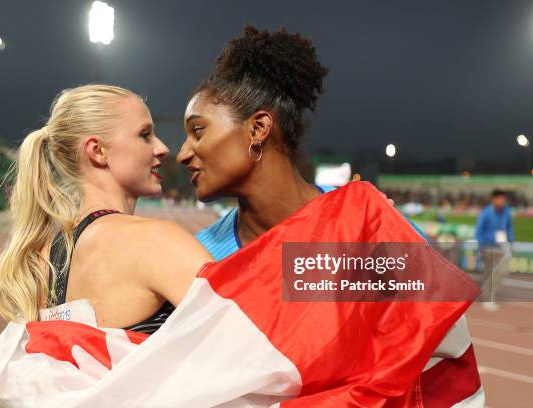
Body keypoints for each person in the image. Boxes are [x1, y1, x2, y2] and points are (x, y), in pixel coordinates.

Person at [178, 25, 484, 406]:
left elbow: (436, 363)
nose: (183, 153)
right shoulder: (198, 262)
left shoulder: (370, 228)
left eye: (197, 131)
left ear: (257, 129)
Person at [0, 84, 212, 332]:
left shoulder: (42, 262)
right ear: (97, 151)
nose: (162, 148)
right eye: (145, 135)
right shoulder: (154, 240)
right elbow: (248, 337)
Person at [475, 188, 513, 311]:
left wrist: (510, 243)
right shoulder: (486, 213)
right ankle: (487, 297)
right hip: (488, 247)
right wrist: (481, 246)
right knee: (488, 273)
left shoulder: (506, 212)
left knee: (501, 271)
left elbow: (509, 228)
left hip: (502, 246)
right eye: (500, 198)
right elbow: (479, 230)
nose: (502, 200)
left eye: (503, 198)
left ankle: (486, 295)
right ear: (494, 199)